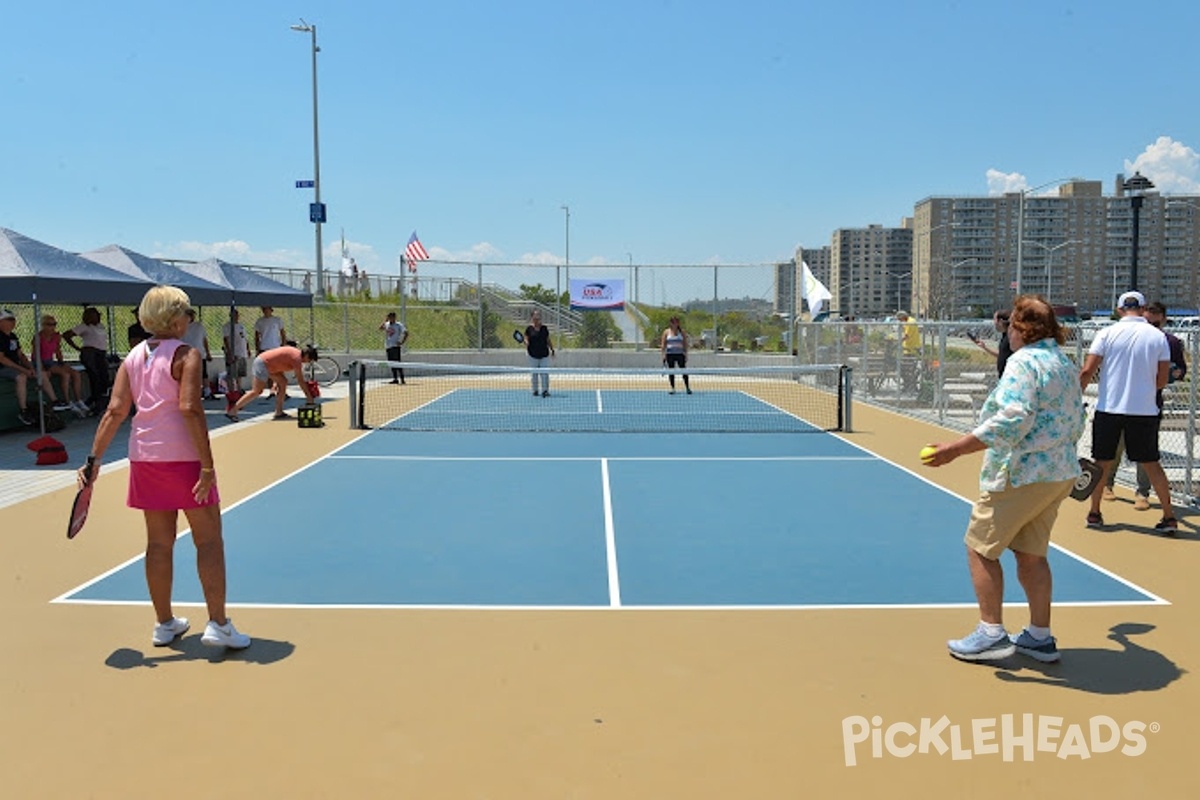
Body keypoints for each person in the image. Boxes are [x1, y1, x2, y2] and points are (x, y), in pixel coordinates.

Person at [79, 285, 249, 649]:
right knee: (209, 542)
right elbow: (190, 407)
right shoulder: (187, 355)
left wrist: (93, 460)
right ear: (175, 320)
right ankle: (218, 624)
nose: (190, 319)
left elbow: (115, 411)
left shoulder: (133, 357)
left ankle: (164, 623)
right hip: (184, 461)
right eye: (187, 313)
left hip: (145, 459)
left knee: (158, 544)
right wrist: (207, 466)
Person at [923, 296, 1084, 663]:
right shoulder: (1062, 361)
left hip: (1021, 472)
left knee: (980, 547)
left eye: (1011, 324)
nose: (1008, 330)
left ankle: (991, 633)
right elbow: (1077, 417)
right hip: (1057, 473)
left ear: (1021, 328)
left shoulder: (1023, 362)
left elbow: (1012, 419)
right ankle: (1039, 637)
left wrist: (954, 449)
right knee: (1032, 554)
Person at [1079, 290, 1177, 534]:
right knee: (1151, 463)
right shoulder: (1157, 337)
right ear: (1143, 309)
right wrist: (1142, 391)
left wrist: (1074, 397)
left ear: (1119, 309)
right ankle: (1169, 516)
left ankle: (1095, 513)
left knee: (1101, 462)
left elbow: (1087, 371)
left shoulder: (1106, 333)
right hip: (1144, 410)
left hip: (1109, 408)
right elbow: (1162, 379)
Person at [1101, 300, 1188, 512]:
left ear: (1165, 321)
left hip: (1149, 405)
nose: (1152, 328)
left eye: (1156, 324)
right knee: (1115, 447)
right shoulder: (1130, 336)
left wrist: (1174, 374)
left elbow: (1180, 369)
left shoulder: (1171, 342)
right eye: (1148, 322)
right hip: (1120, 403)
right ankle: (1106, 485)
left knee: (1146, 454)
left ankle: (1143, 492)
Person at [1, 308, 64, 425]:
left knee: (42, 373)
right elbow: (3, 360)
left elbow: (21, 355)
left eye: (13, 319)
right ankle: (24, 410)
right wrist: (23, 370)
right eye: (9, 319)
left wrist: (31, 368)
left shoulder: (13, 336)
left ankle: (55, 401)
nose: (12, 322)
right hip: (3, 368)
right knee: (21, 377)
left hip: (16, 366)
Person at [226, 344, 317, 422]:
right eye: (309, 360)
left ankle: (279, 412)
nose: (308, 362)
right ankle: (233, 411)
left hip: (271, 365)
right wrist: (309, 398)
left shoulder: (296, 355)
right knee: (257, 391)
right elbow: (300, 381)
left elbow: (280, 361)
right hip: (262, 363)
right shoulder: (297, 358)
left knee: (283, 382)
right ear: (306, 355)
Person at [35, 314, 88, 416]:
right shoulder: (38, 337)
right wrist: (41, 367)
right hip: (43, 362)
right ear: (43, 325)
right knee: (65, 374)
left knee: (75, 373)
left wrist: (62, 362)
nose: (52, 327)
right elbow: (36, 355)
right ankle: (67, 401)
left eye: (54, 324)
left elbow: (57, 351)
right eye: (49, 325)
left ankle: (78, 400)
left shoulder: (56, 336)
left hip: (52, 361)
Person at [63, 306, 110, 412]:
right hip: (90, 353)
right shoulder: (84, 326)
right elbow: (66, 335)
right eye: (95, 315)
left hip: (101, 354)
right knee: (95, 377)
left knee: (104, 377)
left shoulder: (100, 326)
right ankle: (96, 403)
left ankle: (96, 399)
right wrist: (78, 348)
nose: (97, 317)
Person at [968, 309, 1014, 378]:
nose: (994, 323)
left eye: (995, 320)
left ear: (1000, 321)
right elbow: (1001, 355)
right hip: (1004, 377)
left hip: (1010, 377)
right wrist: (984, 347)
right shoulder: (1005, 336)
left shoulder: (1011, 338)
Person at [181, 308, 213, 399]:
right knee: (189, 374)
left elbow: (204, 339)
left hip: (199, 353)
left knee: (203, 373)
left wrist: (208, 353)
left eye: (192, 315)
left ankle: (207, 391)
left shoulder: (199, 326)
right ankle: (190, 391)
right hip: (187, 354)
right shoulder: (182, 326)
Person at [524, 310, 555, 397]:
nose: (537, 320)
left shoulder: (544, 328)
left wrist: (552, 350)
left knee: (544, 374)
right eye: (535, 318)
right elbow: (526, 338)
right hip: (532, 355)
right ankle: (535, 390)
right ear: (532, 318)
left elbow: (548, 340)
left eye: (538, 318)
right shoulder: (529, 329)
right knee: (534, 374)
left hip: (544, 355)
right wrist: (526, 342)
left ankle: (545, 390)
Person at [660, 315, 692, 395]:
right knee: (671, 371)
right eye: (673, 322)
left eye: (676, 322)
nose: (675, 323)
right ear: (670, 323)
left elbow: (685, 344)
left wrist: (686, 354)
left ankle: (687, 387)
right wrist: (663, 355)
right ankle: (673, 388)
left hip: (680, 354)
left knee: (683, 371)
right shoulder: (666, 332)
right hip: (670, 354)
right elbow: (663, 344)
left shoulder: (682, 332)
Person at [221, 308, 249, 393]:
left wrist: (247, 349)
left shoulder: (241, 326)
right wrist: (229, 352)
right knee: (231, 373)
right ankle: (231, 390)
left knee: (240, 373)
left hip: (242, 352)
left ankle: (239, 388)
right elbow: (226, 339)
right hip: (233, 353)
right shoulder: (227, 326)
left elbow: (245, 338)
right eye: (233, 315)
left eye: (237, 315)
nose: (236, 317)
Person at [380, 311, 408, 385]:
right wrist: (385, 321)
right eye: (389, 317)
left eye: (392, 317)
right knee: (391, 363)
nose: (391, 319)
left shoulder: (399, 325)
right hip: (388, 346)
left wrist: (401, 342)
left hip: (395, 346)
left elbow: (406, 333)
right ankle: (395, 378)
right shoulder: (387, 324)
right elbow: (380, 328)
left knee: (398, 363)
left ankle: (402, 378)